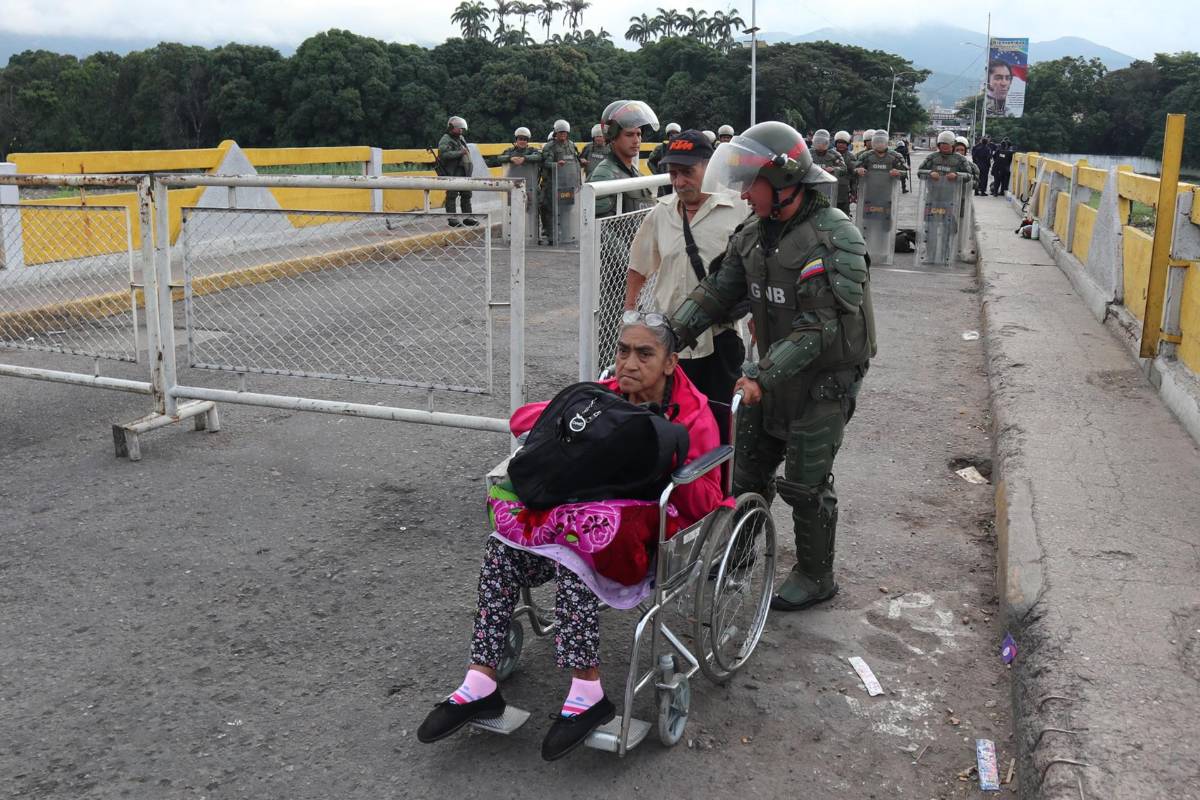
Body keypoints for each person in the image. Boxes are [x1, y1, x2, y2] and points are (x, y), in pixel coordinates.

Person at [416, 314, 725, 759]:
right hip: (574, 524)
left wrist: (669, 457)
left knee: (577, 558)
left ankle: (587, 693)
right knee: (501, 551)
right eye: (623, 351)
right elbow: (524, 421)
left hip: (642, 544)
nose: (629, 363)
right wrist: (567, 421)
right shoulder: (603, 397)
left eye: (645, 354)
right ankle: (480, 681)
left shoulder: (693, 415)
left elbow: (707, 500)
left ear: (670, 363)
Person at [670, 121, 875, 612]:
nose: (743, 195)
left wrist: (759, 374)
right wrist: (668, 336)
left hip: (824, 379)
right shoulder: (754, 233)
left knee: (805, 482)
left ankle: (816, 575)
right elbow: (717, 292)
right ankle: (741, 553)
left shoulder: (832, 238)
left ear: (783, 181)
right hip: (772, 369)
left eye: (752, 184)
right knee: (746, 471)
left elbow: (819, 329)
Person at [625, 130, 750, 440]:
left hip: (719, 339)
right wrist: (629, 314)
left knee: (721, 426)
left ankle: (719, 472)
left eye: (687, 172)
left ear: (710, 166)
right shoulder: (662, 212)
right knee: (671, 424)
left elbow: (759, 271)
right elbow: (639, 266)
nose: (679, 182)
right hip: (671, 342)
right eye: (673, 173)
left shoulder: (740, 210)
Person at [589, 100, 660, 218]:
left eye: (638, 134)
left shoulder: (635, 173)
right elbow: (600, 226)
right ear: (613, 137)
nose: (636, 140)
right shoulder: (604, 175)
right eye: (629, 135)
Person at [539, 119, 582, 244]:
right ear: (556, 133)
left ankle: (566, 235)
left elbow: (576, 163)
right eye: (560, 132)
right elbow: (545, 163)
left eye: (565, 132)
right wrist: (556, 164)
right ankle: (552, 237)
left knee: (567, 209)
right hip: (553, 184)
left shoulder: (572, 145)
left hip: (568, 184)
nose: (563, 134)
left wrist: (578, 181)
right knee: (552, 210)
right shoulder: (550, 146)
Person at [438, 115, 476, 227]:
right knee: (452, 195)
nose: (461, 130)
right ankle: (452, 219)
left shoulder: (461, 138)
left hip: (464, 170)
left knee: (466, 194)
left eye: (462, 128)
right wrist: (460, 153)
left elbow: (466, 151)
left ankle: (468, 217)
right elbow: (444, 154)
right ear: (451, 128)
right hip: (453, 171)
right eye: (459, 128)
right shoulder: (445, 139)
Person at [647, 122, 682, 196]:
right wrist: (657, 174)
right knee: (663, 200)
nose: (673, 136)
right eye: (671, 134)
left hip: (678, 180)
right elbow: (650, 161)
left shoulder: (683, 148)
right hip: (664, 182)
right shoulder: (661, 148)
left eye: (676, 134)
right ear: (668, 136)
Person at [833, 130, 857, 214]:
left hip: (844, 191)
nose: (841, 145)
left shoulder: (851, 157)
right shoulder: (830, 154)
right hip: (830, 188)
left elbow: (854, 176)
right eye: (839, 142)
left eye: (843, 143)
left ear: (847, 144)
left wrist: (853, 192)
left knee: (843, 213)